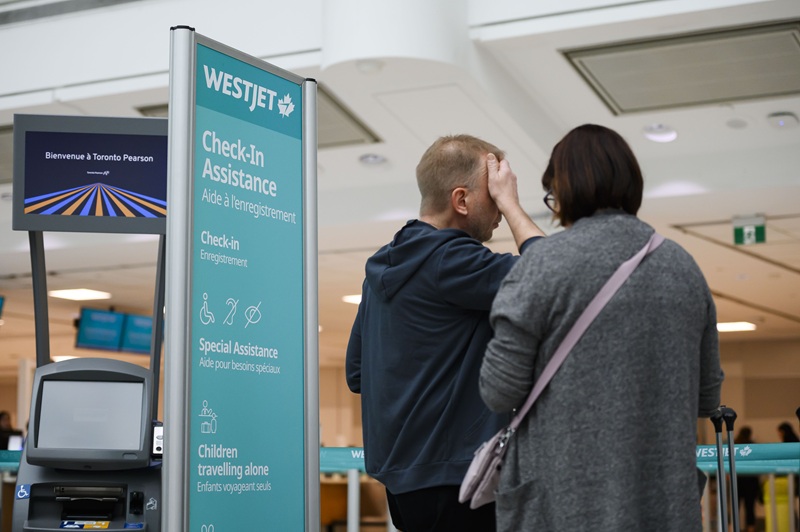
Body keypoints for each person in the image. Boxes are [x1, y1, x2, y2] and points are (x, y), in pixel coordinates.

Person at [479, 124, 724, 531]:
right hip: (663, 504)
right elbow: (707, 395)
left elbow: (498, 389)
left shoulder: (544, 265)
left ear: (564, 191)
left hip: (562, 502)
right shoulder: (684, 268)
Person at [346, 134, 546, 531]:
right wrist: (513, 202)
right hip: (458, 480)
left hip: (402, 485)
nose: (500, 214)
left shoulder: (382, 268)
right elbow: (553, 275)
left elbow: (356, 373)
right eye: (493, 196)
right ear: (461, 200)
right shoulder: (453, 260)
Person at [735, 426, 761, 532]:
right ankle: (751, 529)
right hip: (750, 480)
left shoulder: (734, 444)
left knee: (735, 507)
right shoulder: (752, 446)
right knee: (750, 508)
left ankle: (733, 528)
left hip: (737, 479)